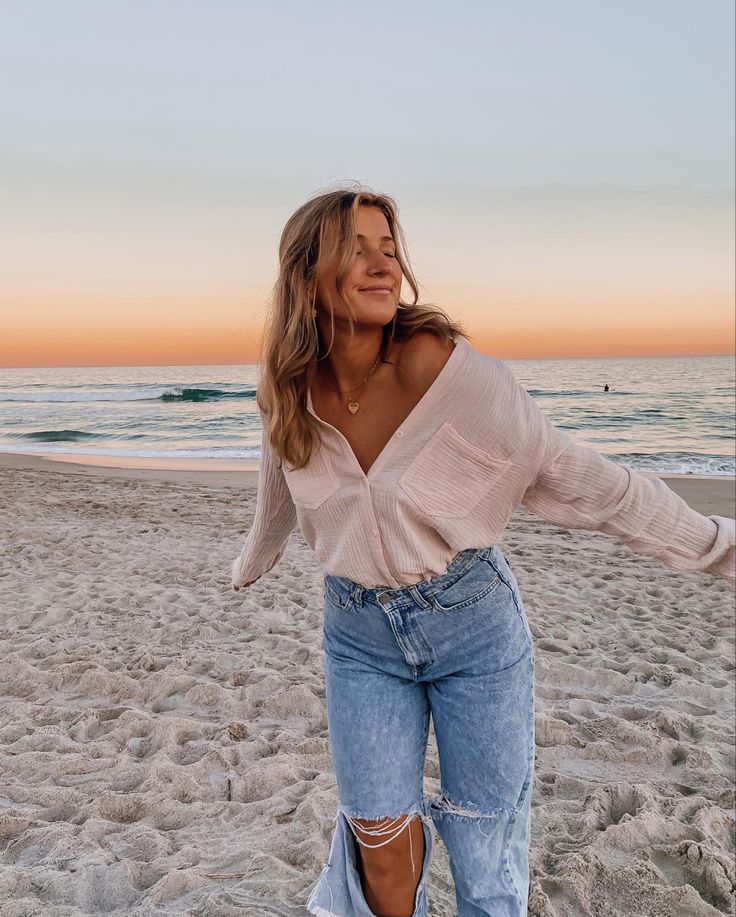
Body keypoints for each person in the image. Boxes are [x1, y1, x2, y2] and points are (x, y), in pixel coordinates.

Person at [231, 184, 735, 917]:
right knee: (379, 844)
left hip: (473, 625)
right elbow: (281, 471)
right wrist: (256, 553)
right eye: (356, 249)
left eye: (390, 249)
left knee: (484, 850)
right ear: (307, 275)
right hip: (357, 635)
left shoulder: (450, 375)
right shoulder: (290, 391)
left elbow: (590, 480)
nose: (382, 266)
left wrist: (720, 548)